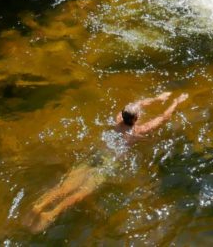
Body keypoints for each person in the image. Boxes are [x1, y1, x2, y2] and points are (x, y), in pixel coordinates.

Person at [25, 91, 189, 232]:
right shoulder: (138, 131)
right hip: (108, 163)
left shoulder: (118, 118)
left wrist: (157, 98)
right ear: (136, 118)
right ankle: (51, 213)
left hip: (97, 154)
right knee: (81, 192)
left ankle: (40, 205)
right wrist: (176, 101)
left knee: (65, 185)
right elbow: (163, 117)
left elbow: (137, 103)